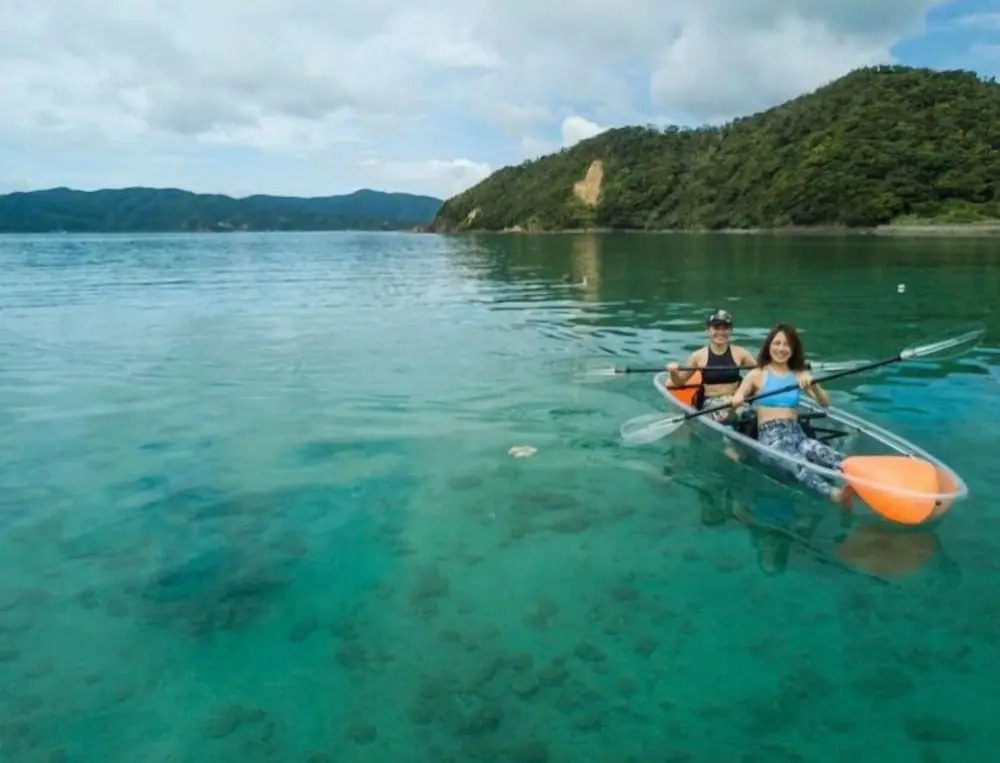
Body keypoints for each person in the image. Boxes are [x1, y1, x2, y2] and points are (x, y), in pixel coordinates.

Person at [729, 323, 854, 508]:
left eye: (786, 344)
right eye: (776, 343)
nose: (781, 349)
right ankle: (834, 494)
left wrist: (814, 385)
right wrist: (738, 399)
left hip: (797, 433)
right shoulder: (756, 374)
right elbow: (739, 396)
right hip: (771, 437)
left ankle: (859, 479)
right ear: (769, 345)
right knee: (799, 464)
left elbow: (825, 403)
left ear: (793, 349)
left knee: (827, 454)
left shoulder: (799, 374)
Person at [666, 309, 757, 425]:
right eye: (716, 328)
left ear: (731, 331)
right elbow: (679, 382)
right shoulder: (698, 356)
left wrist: (743, 393)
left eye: (725, 328)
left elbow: (759, 374)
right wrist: (673, 372)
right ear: (708, 330)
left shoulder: (741, 353)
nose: (721, 332)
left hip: (736, 400)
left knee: (753, 416)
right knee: (724, 417)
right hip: (712, 404)